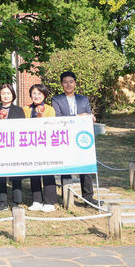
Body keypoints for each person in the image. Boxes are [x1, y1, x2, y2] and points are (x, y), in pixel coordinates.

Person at [51, 71, 99, 207]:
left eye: (71, 81)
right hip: (64, 138)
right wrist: (79, 116)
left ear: (75, 83)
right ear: (61, 84)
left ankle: (88, 198)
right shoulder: (56, 99)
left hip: (81, 138)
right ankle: (67, 196)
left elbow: (88, 115)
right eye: (65, 82)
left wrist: (91, 117)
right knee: (66, 168)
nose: (68, 84)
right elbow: (58, 119)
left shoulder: (83, 99)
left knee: (85, 168)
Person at [0, 84, 26, 212]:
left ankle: (17, 201)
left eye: (8, 93)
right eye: (3, 93)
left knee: (16, 174)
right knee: (1, 175)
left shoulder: (18, 110)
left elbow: (22, 128)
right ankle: (3, 202)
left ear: (13, 95)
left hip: (14, 146)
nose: (5, 95)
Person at [23, 83, 57, 213]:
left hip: (45, 144)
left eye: (39, 94)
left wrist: (40, 115)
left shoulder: (49, 109)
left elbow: (50, 125)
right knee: (34, 173)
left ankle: (49, 202)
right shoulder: (26, 109)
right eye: (34, 93)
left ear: (44, 95)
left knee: (47, 172)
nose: (36, 96)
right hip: (30, 144)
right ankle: (36, 200)